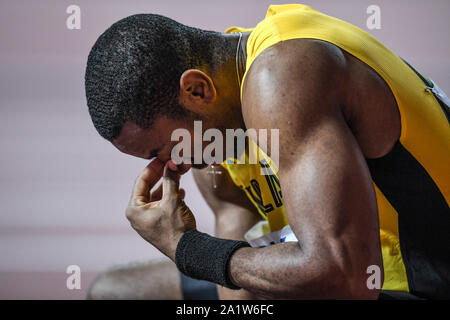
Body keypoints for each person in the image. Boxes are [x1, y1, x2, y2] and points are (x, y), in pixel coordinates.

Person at [84, 4, 450, 299]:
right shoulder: (214, 129)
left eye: (161, 149)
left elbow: (343, 279)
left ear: (196, 91)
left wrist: (186, 248)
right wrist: (198, 254)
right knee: (116, 292)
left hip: (418, 280)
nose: (168, 167)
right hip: (342, 276)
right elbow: (239, 291)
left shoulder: (282, 76)